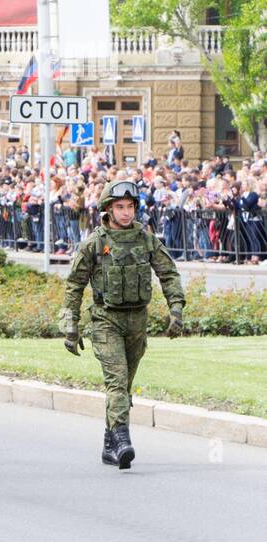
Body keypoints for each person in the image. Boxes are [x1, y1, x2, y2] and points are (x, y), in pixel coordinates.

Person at [61, 179, 185, 469]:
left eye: (130, 207)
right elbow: (74, 285)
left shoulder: (145, 239)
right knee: (116, 382)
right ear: (108, 209)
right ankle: (122, 440)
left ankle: (108, 443)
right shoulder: (95, 242)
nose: (126, 213)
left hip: (137, 321)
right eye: (120, 207)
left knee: (124, 385)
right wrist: (71, 326)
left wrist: (176, 309)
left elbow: (168, 273)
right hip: (106, 320)